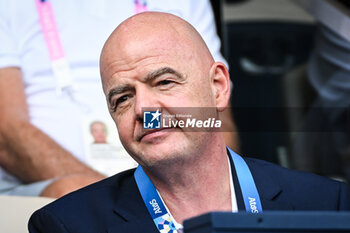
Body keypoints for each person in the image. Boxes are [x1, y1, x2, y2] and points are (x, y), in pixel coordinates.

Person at [28, 12, 350, 233]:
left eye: (164, 82)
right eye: (122, 98)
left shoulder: (329, 205)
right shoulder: (67, 225)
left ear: (218, 88)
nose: (143, 108)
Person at [0, 0, 237, 198]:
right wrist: (123, 200)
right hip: (47, 187)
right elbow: (6, 133)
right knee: (73, 194)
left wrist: (209, 184)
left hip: (170, 185)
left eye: (164, 82)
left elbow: (214, 109)